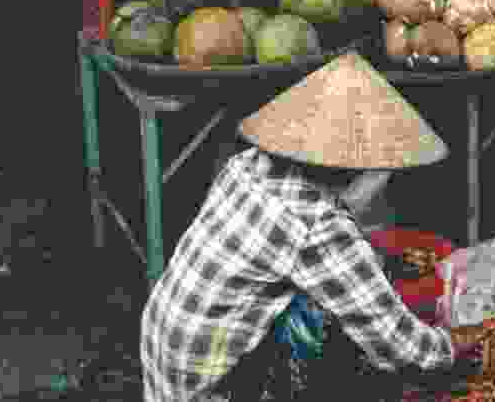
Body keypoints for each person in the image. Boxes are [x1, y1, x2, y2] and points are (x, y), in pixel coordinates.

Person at [140, 52, 477, 402]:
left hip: (166, 357)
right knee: (353, 341)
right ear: (358, 173)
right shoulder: (316, 225)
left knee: (327, 310)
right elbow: (404, 350)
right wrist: (457, 343)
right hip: (209, 388)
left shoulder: (246, 166)